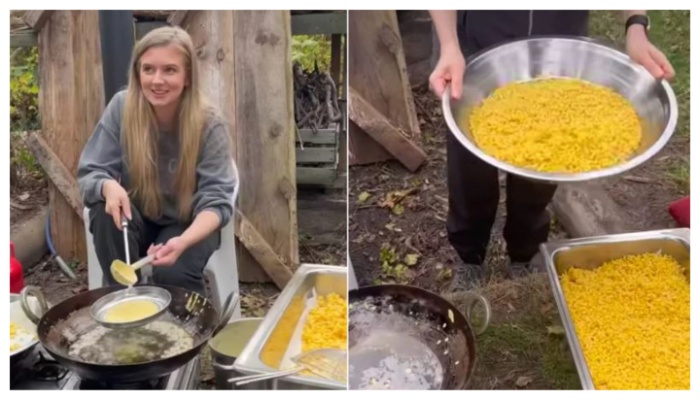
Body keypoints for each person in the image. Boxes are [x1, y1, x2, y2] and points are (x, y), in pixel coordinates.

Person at [428, 11, 674, 289]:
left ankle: (524, 253)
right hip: (480, 42)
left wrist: (636, 26)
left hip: (560, 51)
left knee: (543, 174)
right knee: (469, 172)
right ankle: (469, 257)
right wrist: (449, 45)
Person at [77, 26, 236, 295]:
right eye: (148, 69)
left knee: (173, 271)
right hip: (138, 217)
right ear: (138, 73)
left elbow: (217, 200)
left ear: (187, 77)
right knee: (103, 211)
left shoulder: (209, 123)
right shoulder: (122, 108)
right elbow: (91, 171)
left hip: (189, 222)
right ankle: (125, 305)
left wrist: (183, 241)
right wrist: (107, 186)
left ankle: (188, 331)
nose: (157, 80)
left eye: (170, 70)